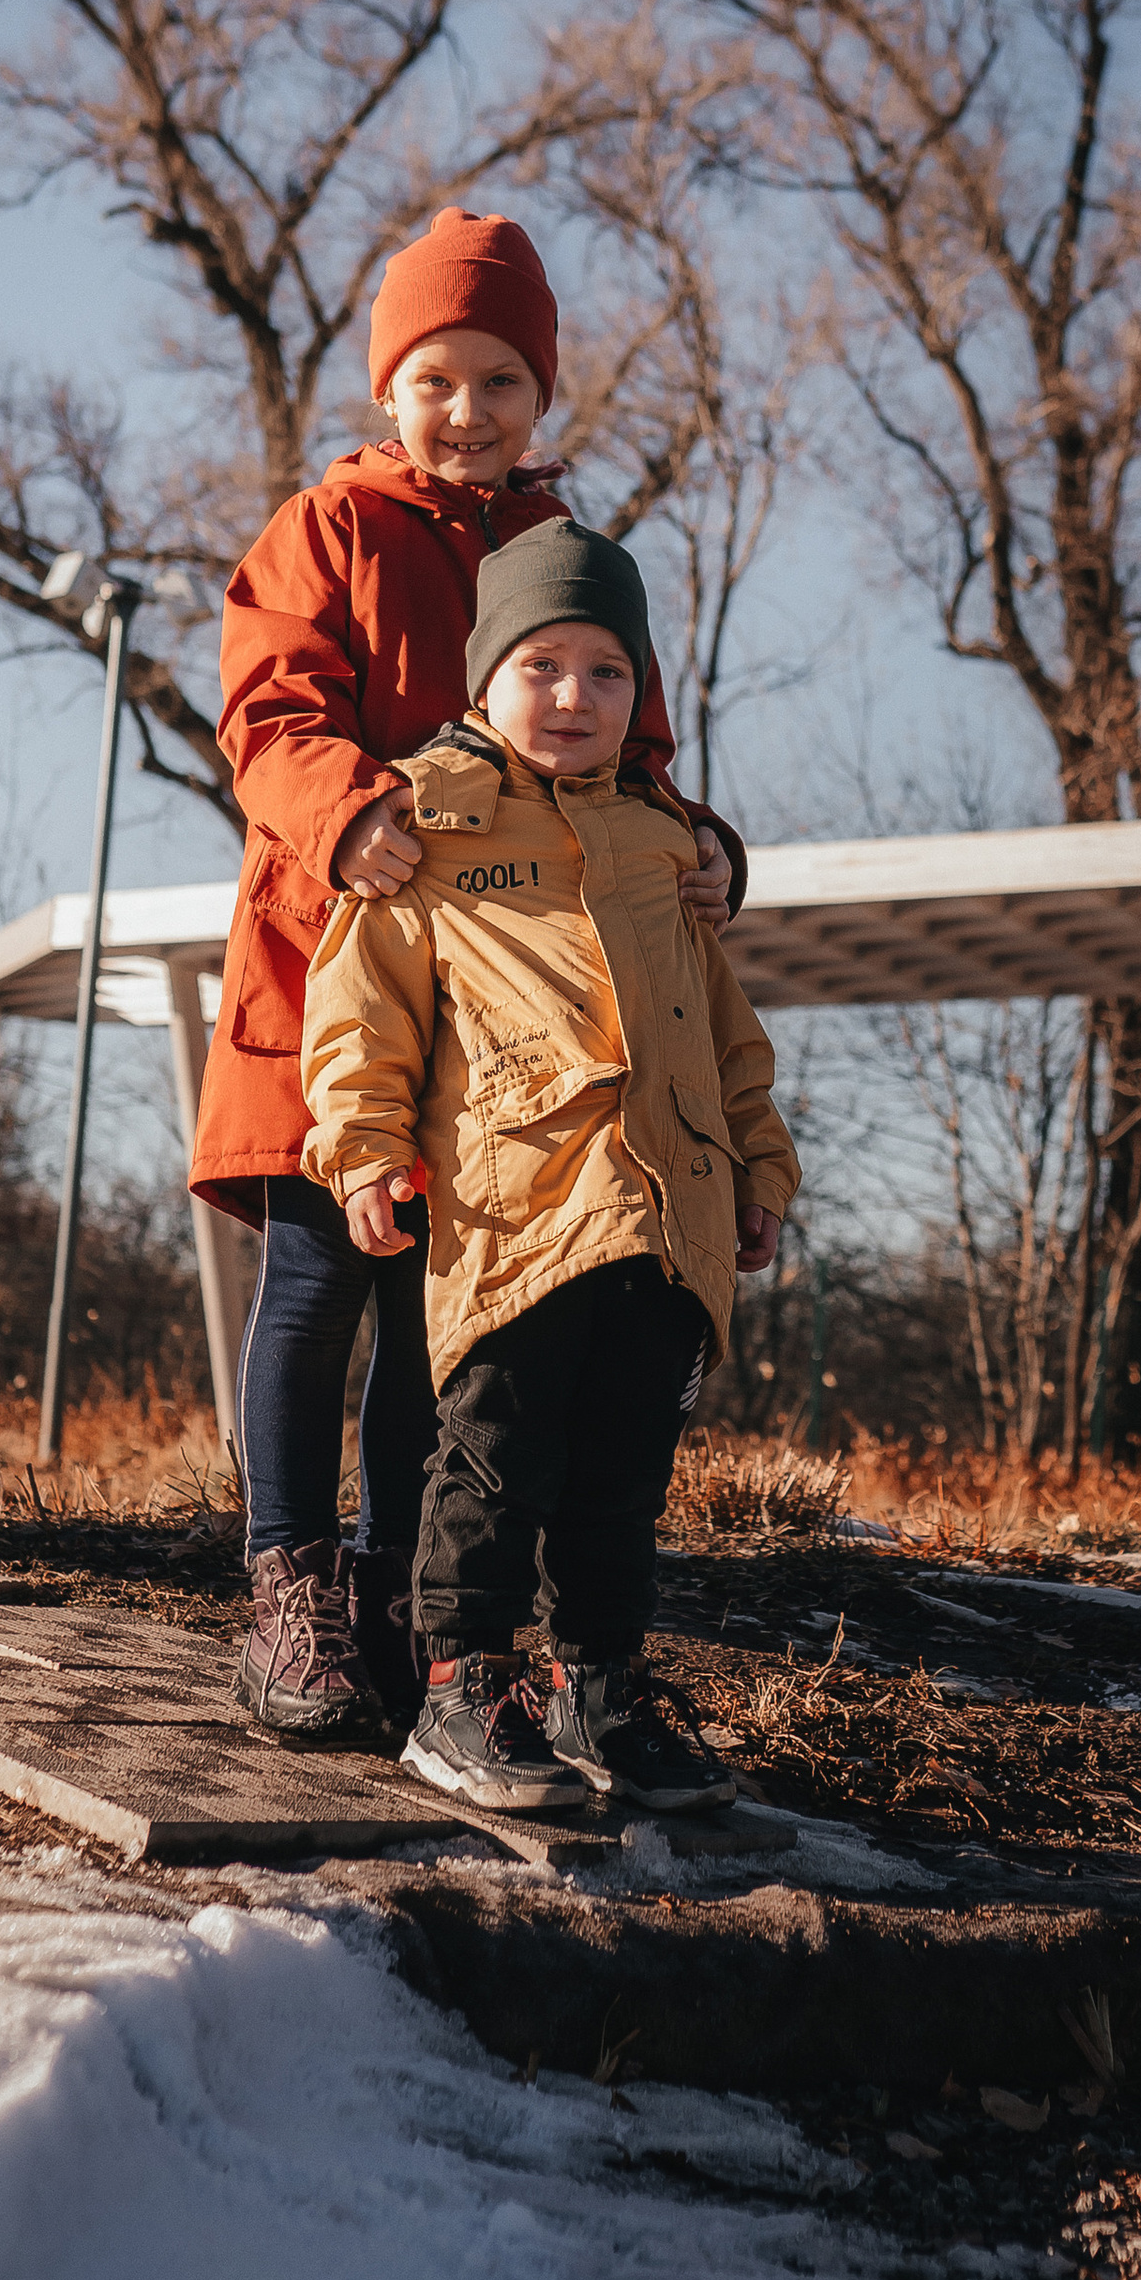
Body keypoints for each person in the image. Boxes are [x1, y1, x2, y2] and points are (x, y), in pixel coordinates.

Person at [192, 206, 742, 1745]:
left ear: (541, 397)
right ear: (389, 388)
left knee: (447, 1315)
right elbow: (270, 717)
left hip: (505, 1033)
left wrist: (704, 850)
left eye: (504, 378)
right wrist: (353, 811)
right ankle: (292, 1578)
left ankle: (391, 1588)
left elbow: (633, 758)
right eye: (439, 375)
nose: (470, 408)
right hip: (332, 966)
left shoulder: (558, 555)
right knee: (316, 1287)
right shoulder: (325, 531)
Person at [299, 521, 798, 1814]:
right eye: (542, 667)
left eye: (606, 672)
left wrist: (759, 1169)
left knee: (625, 1475)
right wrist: (360, 1152)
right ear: (485, 680)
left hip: (664, 1222)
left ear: (640, 690)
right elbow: (362, 1008)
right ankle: (458, 1690)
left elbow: (723, 1025)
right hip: (517, 1217)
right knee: (495, 1458)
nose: (574, 698)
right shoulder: (432, 823)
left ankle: (601, 1696)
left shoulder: (663, 841)